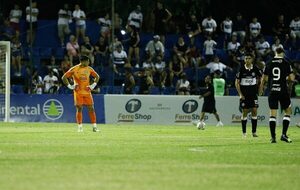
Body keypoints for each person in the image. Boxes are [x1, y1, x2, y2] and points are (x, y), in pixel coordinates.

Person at [259, 48, 295, 143]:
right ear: (282, 53)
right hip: (283, 91)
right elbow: (292, 78)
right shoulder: (286, 63)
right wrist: (286, 78)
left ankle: (273, 137)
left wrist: (261, 89)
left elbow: (264, 79)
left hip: (272, 91)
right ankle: (283, 135)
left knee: (272, 115)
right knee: (288, 111)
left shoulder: (269, 63)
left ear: (275, 53)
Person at [62, 55, 100, 132]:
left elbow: (97, 77)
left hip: (87, 92)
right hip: (78, 92)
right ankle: (80, 127)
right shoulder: (74, 69)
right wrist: (70, 86)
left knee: (91, 108)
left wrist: (92, 86)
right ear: (83, 61)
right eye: (87, 61)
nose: (89, 62)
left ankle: (94, 127)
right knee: (79, 109)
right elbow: (64, 77)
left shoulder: (89, 69)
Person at [235, 52, 262, 137]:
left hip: (253, 94)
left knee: (254, 111)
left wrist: (260, 88)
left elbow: (261, 77)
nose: (247, 60)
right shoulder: (241, 69)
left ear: (252, 59)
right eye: (246, 58)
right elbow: (237, 83)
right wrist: (240, 94)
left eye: (249, 58)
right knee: (245, 112)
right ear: (244, 59)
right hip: (245, 95)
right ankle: (244, 133)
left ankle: (254, 132)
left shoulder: (255, 68)